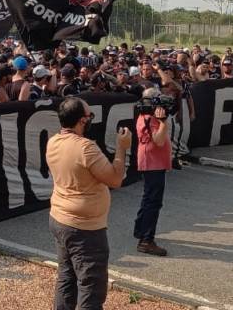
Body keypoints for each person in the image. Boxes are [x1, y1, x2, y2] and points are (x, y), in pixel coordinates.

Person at [46, 97, 131, 310]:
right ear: (82, 121)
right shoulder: (86, 148)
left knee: (66, 278)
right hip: (85, 228)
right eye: (89, 116)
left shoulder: (53, 141)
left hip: (60, 218)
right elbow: (115, 179)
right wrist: (122, 148)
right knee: (91, 288)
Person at [134, 93, 171, 256]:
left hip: (152, 162)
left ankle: (140, 230)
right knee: (153, 202)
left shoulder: (145, 115)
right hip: (153, 163)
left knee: (147, 197)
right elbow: (159, 140)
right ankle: (146, 240)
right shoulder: (150, 118)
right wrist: (163, 123)